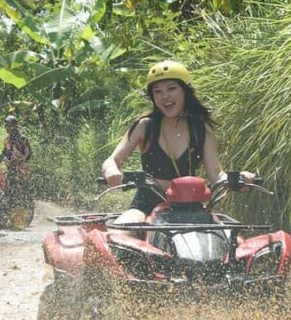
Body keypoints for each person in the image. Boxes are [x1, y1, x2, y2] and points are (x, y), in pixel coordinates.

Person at [102, 60, 256, 225]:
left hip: (190, 205)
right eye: (158, 91)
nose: (165, 96)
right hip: (146, 203)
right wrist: (111, 171)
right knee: (120, 231)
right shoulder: (145, 126)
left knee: (228, 236)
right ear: (153, 97)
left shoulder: (201, 128)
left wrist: (240, 179)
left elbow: (216, 175)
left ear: (185, 91)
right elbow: (112, 161)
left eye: (172, 88)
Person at [0, 115, 32, 186]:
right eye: (5, 125)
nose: (6, 128)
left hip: (22, 172)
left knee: (22, 191)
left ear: (14, 126)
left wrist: (19, 162)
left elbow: (29, 154)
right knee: (8, 191)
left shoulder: (22, 139)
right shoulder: (7, 140)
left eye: (8, 126)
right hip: (11, 170)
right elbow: (4, 153)